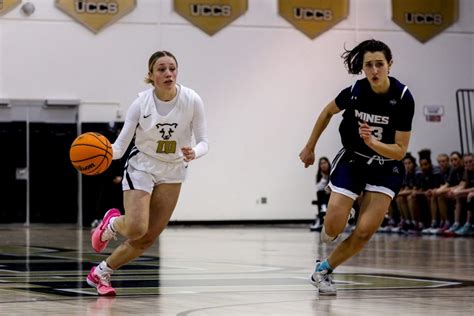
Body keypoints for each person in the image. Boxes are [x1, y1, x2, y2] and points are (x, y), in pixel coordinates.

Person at [86, 50, 209, 296]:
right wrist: (97, 153)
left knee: (147, 238)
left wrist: (194, 152)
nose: (168, 73)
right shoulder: (140, 104)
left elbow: (204, 141)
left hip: (173, 169)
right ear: (151, 75)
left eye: (172, 68)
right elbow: (119, 148)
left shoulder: (192, 99)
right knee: (135, 228)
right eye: (161, 69)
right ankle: (111, 224)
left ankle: (101, 273)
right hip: (142, 165)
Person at [299, 39, 415, 295]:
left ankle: (324, 270)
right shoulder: (354, 91)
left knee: (364, 232)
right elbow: (327, 112)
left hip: (386, 166)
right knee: (330, 231)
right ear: (363, 68)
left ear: (390, 65)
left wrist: (373, 142)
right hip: (353, 159)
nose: (374, 70)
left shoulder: (403, 98)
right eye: (369, 65)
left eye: (379, 64)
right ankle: (344, 211)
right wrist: (310, 147)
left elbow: (400, 150)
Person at [310, 157, 331, 231]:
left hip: (333, 195)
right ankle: (323, 209)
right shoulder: (319, 175)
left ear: (328, 163)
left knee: (324, 192)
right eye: (321, 164)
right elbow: (318, 187)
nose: (323, 165)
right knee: (320, 192)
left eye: (325, 163)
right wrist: (324, 178)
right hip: (324, 195)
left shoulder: (333, 173)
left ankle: (323, 207)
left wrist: (330, 189)